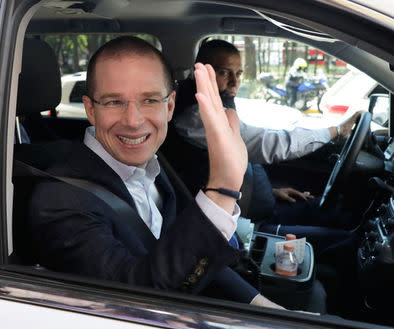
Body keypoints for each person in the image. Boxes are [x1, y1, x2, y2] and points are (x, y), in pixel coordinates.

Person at [28, 36, 289, 310]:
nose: (133, 121)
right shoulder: (60, 202)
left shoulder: (151, 163)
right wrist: (222, 189)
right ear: (91, 110)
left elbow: (183, 248)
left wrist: (265, 307)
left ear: (170, 106)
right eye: (114, 102)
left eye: (150, 100)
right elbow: (139, 304)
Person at [163, 39, 361, 252]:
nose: (234, 82)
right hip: (248, 223)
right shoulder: (197, 116)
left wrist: (272, 191)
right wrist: (336, 131)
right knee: (347, 241)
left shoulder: (217, 107)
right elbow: (271, 144)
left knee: (335, 211)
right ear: (200, 74)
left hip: (255, 205)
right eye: (224, 73)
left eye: (238, 74)